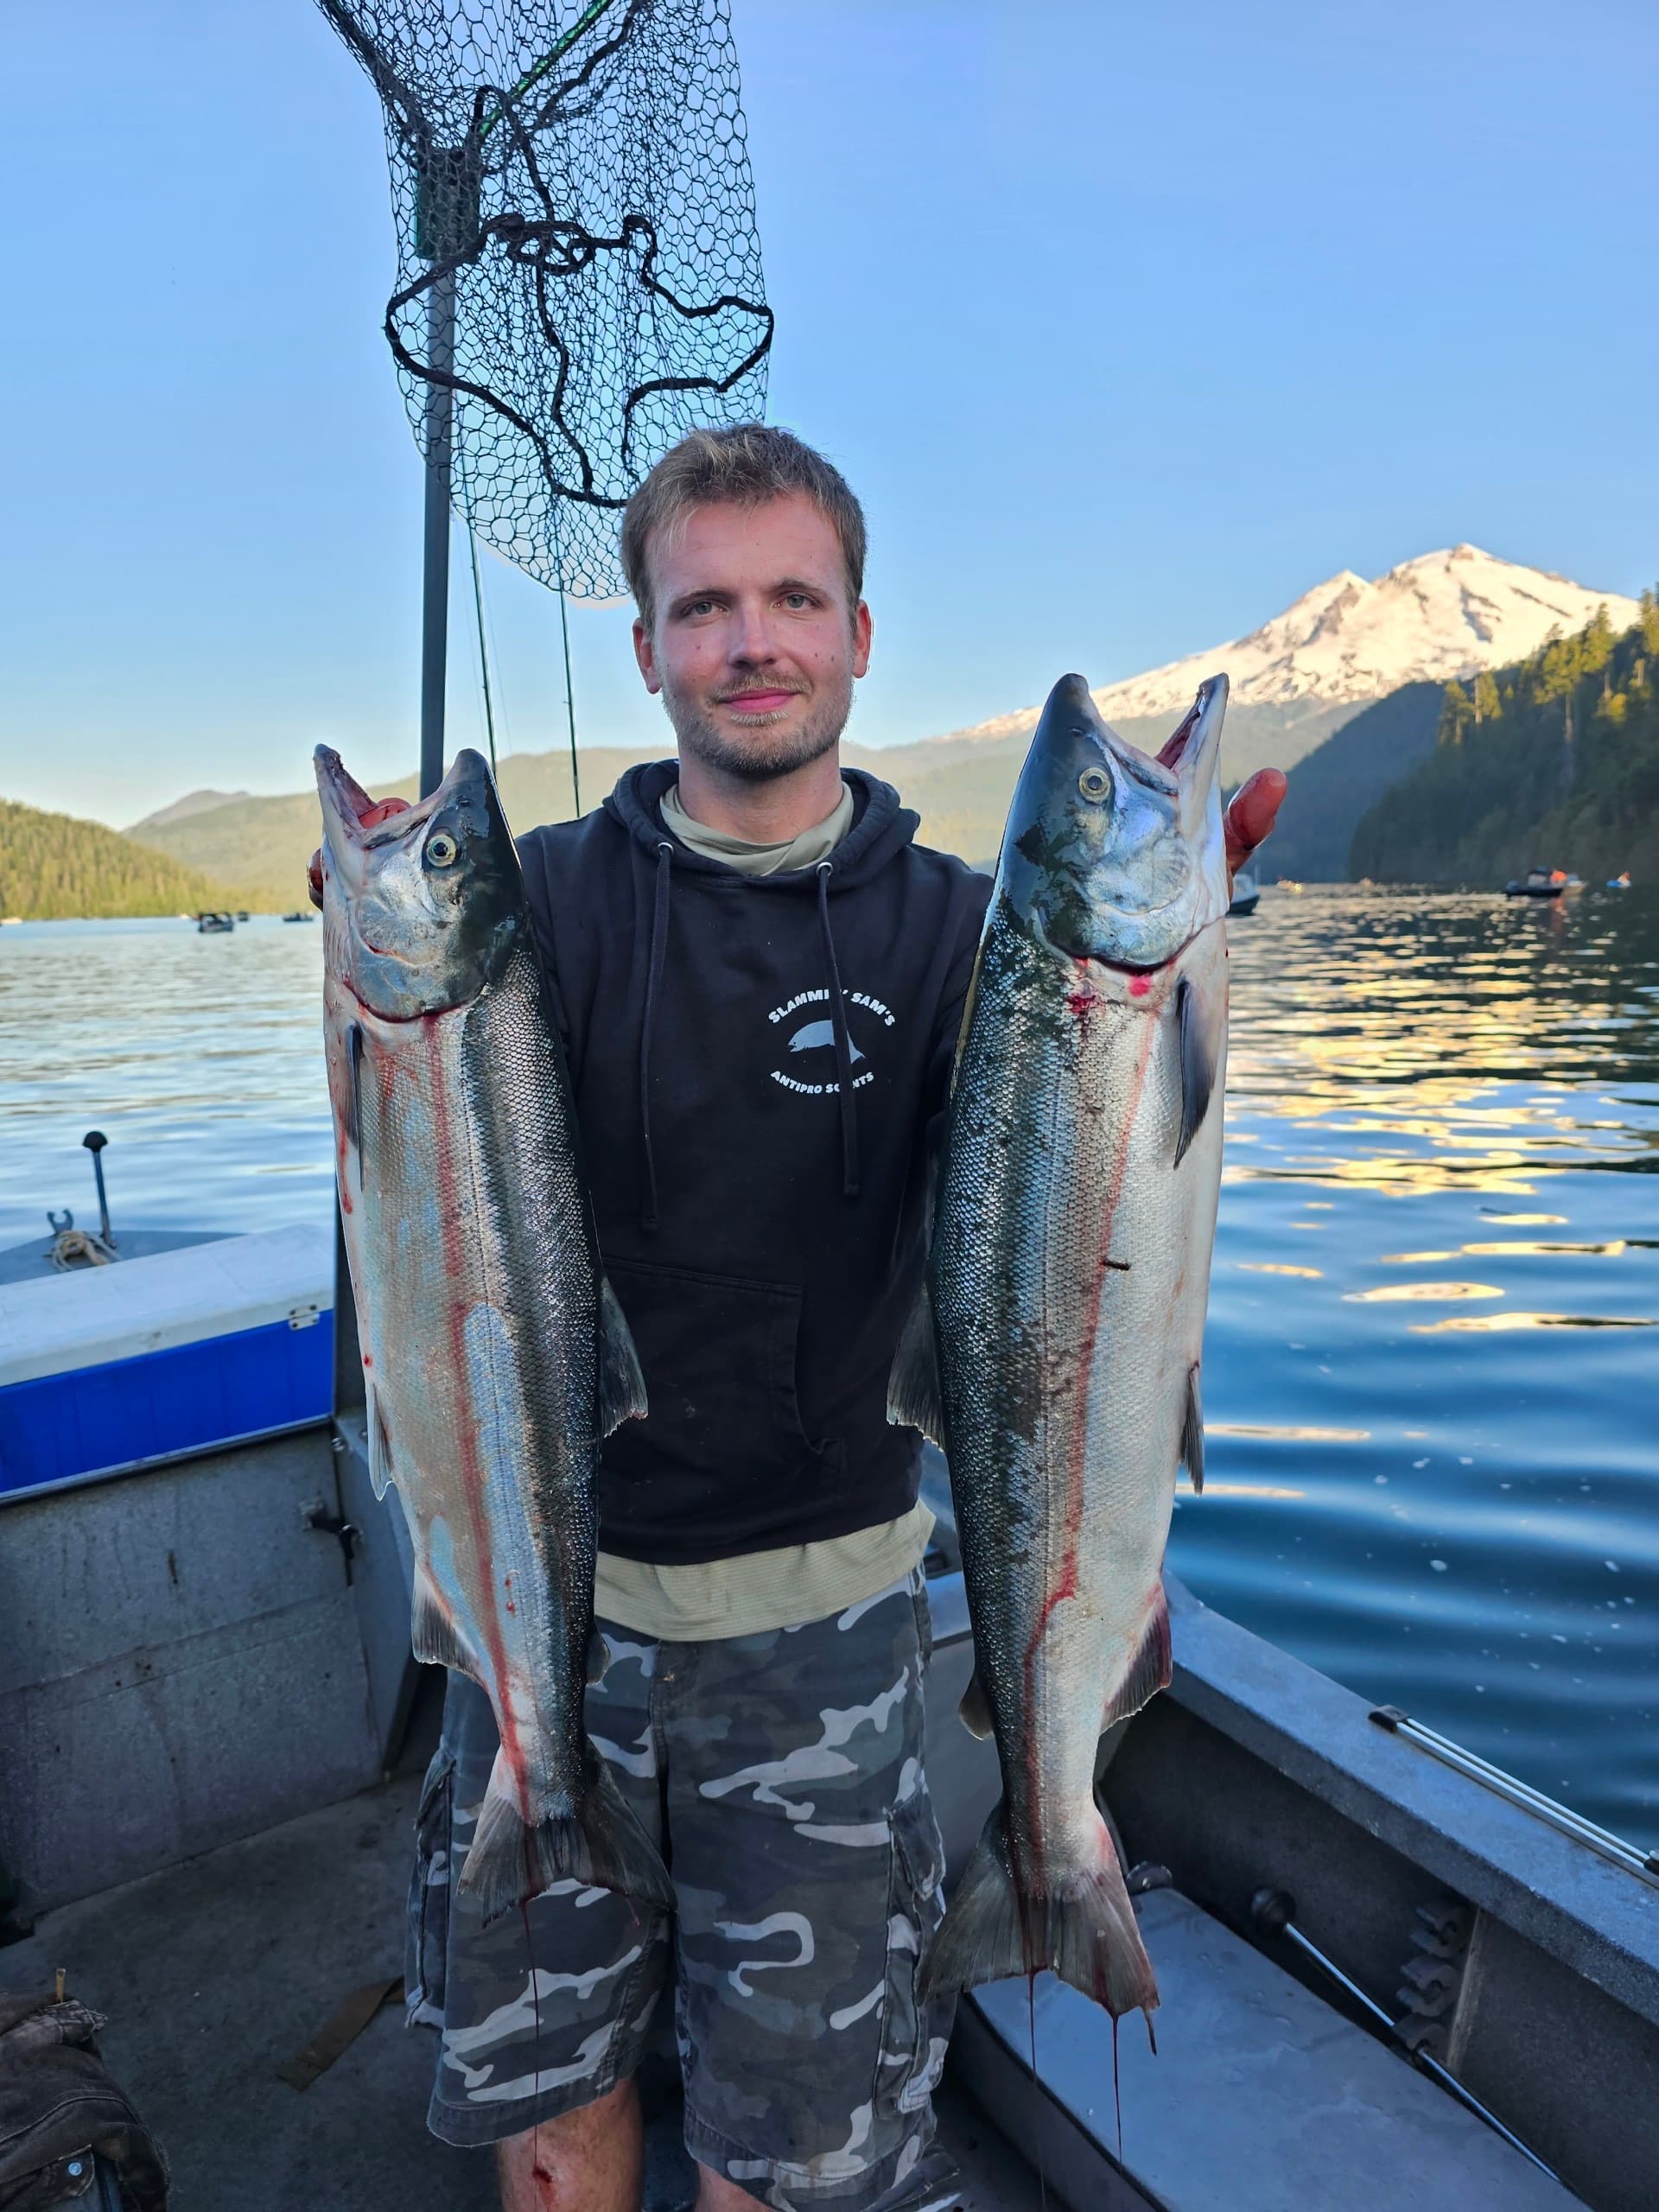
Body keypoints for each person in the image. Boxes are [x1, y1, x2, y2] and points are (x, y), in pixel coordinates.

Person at [401, 426, 1285, 2212]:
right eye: (703, 603)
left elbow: (1080, 1254)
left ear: (861, 632)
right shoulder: (534, 908)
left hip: (826, 1637)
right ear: (646, 645)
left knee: (793, 2158)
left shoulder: (978, 935)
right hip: (546, 1620)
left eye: (792, 596)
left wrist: (1189, 956)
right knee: (553, 2109)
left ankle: (1043, 1864)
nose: (751, 639)